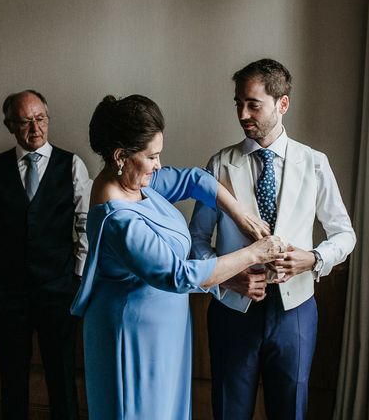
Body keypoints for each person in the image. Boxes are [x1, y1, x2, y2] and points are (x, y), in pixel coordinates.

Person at [70, 94, 284, 420]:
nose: (158, 165)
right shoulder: (117, 219)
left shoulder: (138, 182)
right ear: (120, 156)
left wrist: (241, 214)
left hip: (167, 332)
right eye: (152, 156)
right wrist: (254, 252)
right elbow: (180, 275)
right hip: (133, 336)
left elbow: (195, 179)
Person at [189, 58, 357, 420]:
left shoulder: (314, 163)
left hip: (295, 311)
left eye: (253, 104)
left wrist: (312, 259)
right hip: (232, 310)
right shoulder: (219, 165)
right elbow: (197, 239)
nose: (242, 113)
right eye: (238, 103)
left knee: (290, 411)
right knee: (229, 410)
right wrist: (227, 278)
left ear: (282, 104)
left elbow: (344, 234)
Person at [0, 90, 91, 420]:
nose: (35, 128)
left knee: (62, 378)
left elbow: (85, 226)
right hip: (7, 294)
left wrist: (77, 276)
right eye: (25, 121)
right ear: (10, 125)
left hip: (59, 290)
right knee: (12, 378)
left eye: (41, 119)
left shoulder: (72, 165)